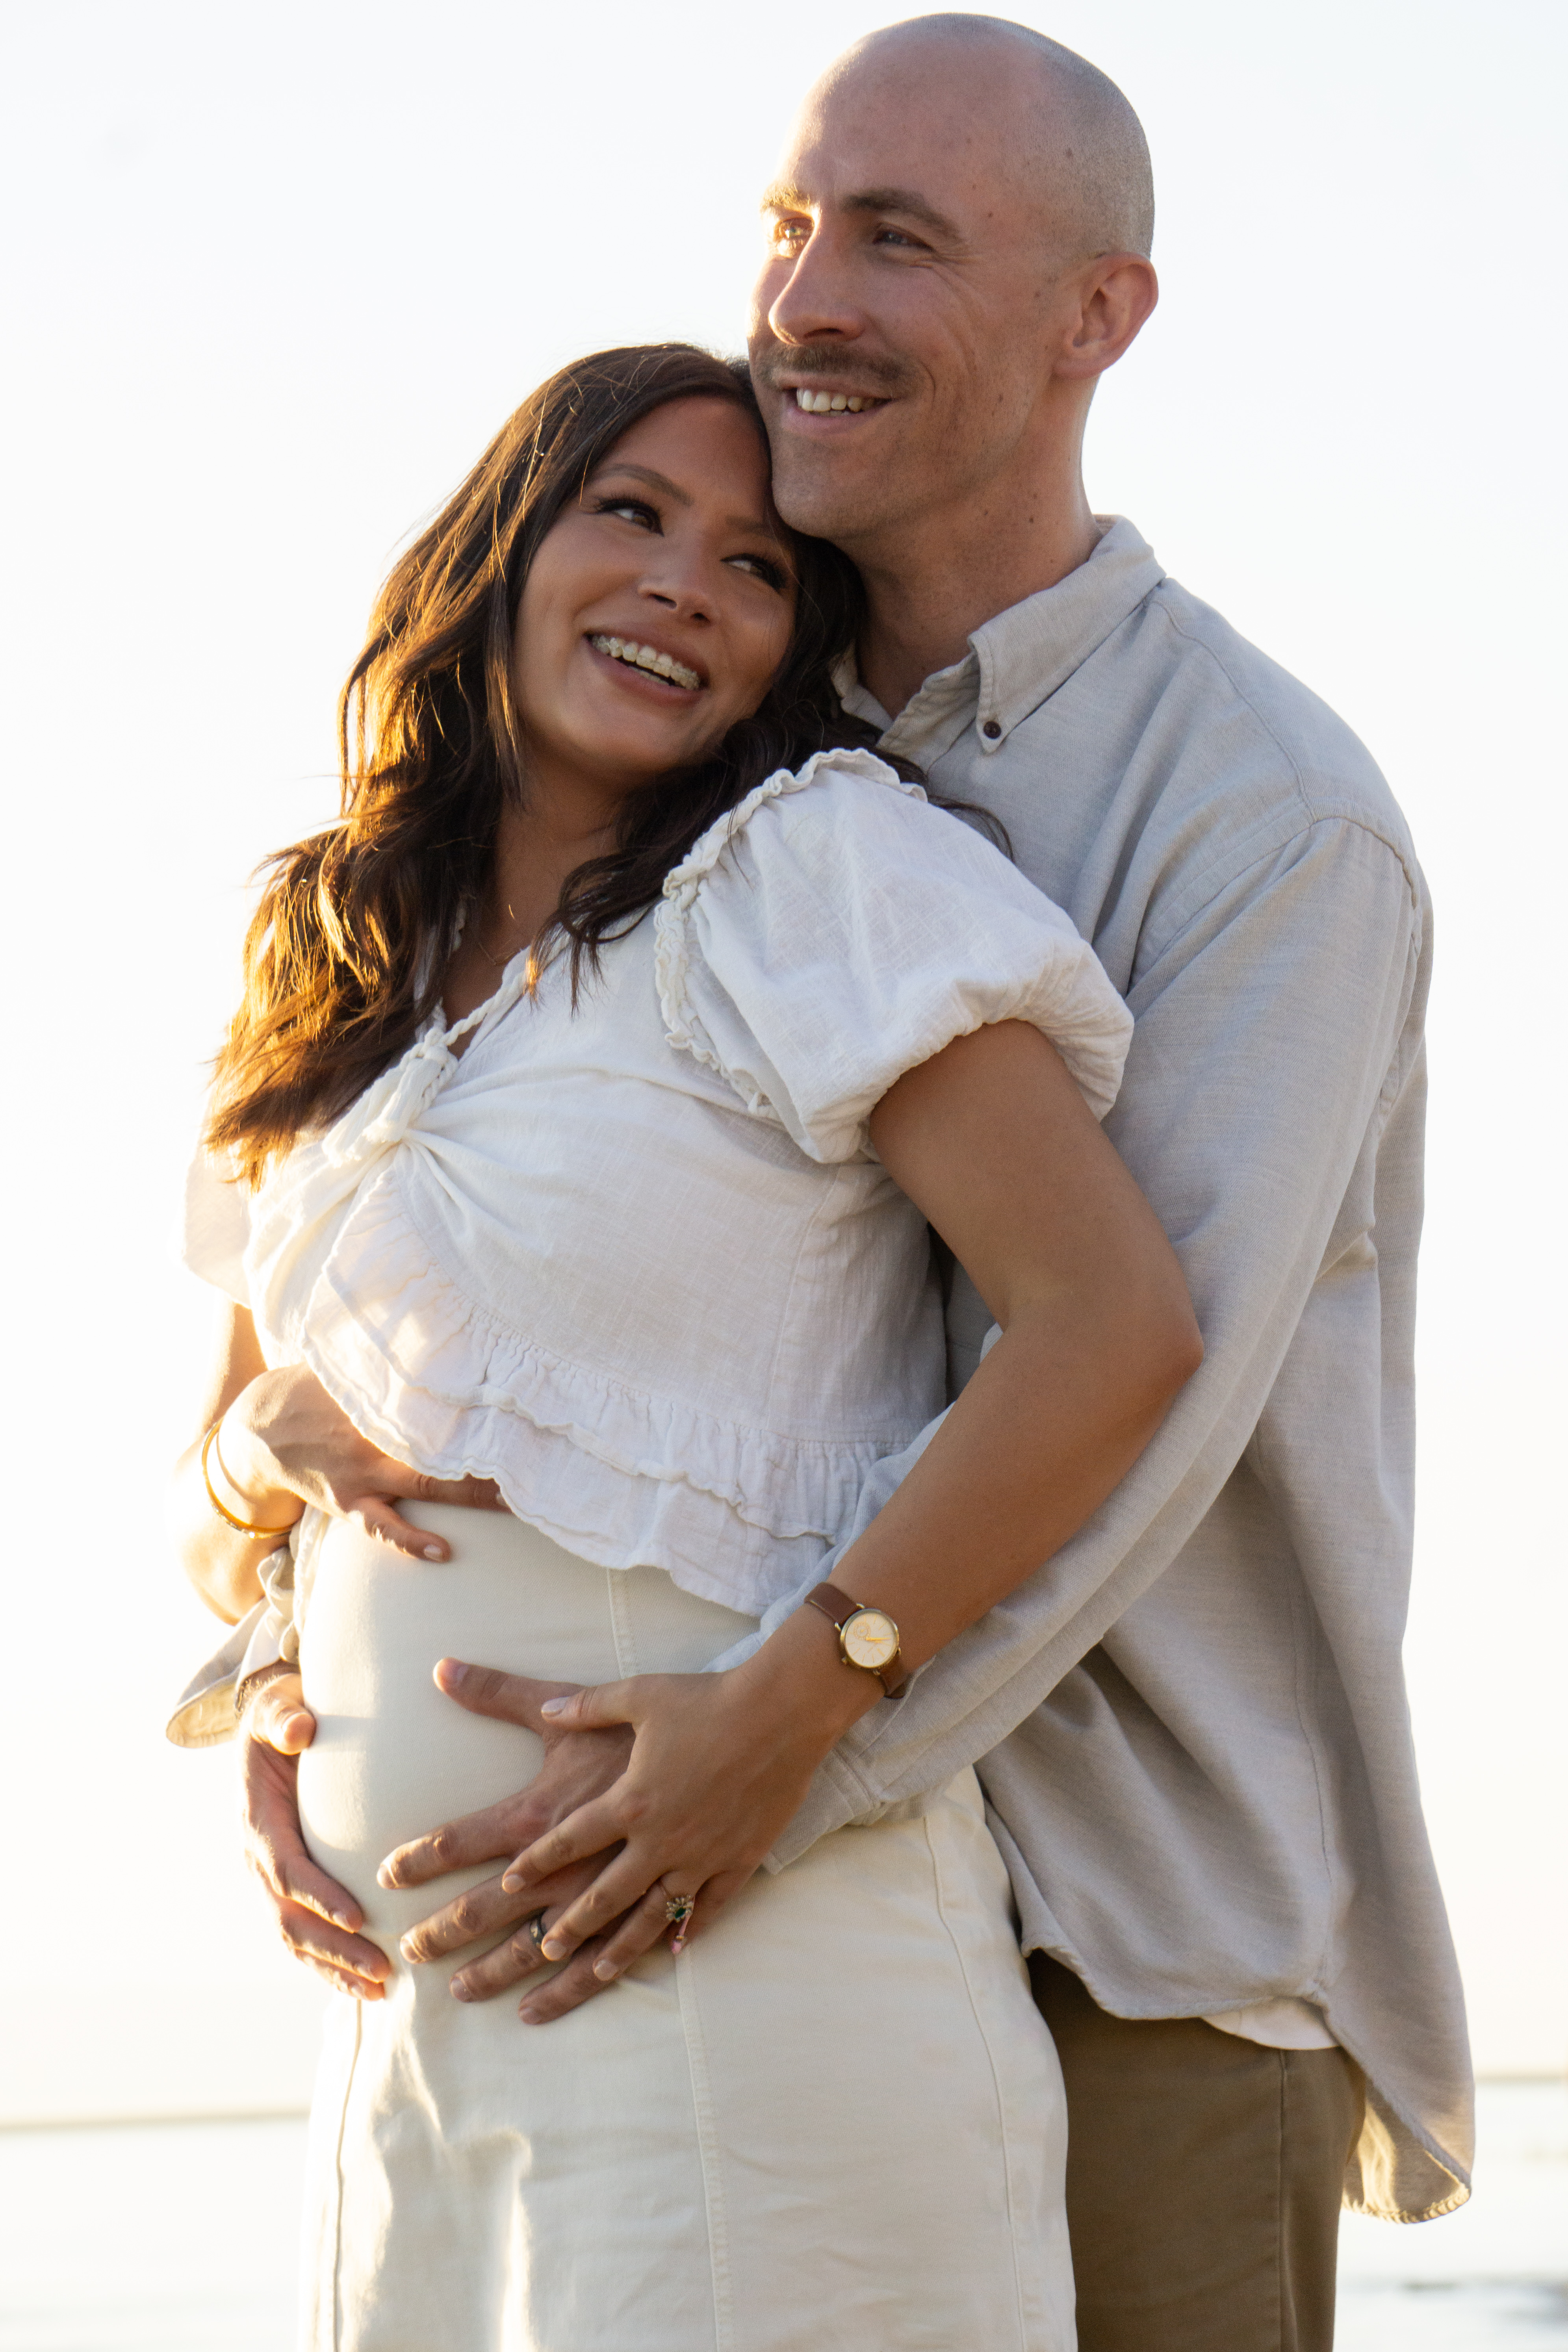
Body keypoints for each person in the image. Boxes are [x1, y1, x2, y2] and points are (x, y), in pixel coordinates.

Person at [183, 17, 1474, 2348]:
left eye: (896, 237)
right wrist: (290, 1635)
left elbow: (1135, 1386)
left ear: (1102, 316)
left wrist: (792, 1739)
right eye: (786, 224)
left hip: (1126, 1940)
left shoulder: (1262, 822)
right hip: (661, 1903)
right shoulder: (727, 761)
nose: (809, 298)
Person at [169, 340, 1201, 2348]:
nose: (679, 588)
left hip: (752, 1980)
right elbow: (232, 1494)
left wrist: (809, 1699)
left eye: (749, 565)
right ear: (503, 546)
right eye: (628, 515)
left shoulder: (808, 871)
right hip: (421, 2041)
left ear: (790, 642)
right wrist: (273, 1619)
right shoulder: (337, 980)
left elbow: (1113, 1327)